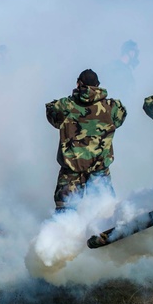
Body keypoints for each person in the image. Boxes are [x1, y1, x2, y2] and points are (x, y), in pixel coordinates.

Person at [46, 69, 126, 209]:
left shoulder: (66, 105)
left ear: (78, 84)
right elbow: (120, 118)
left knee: (66, 215)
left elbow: (52, 114)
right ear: (98, 85)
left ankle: (64, 231)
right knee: (104, 213)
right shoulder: (111, 107)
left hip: (72, 171)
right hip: (99, 169)